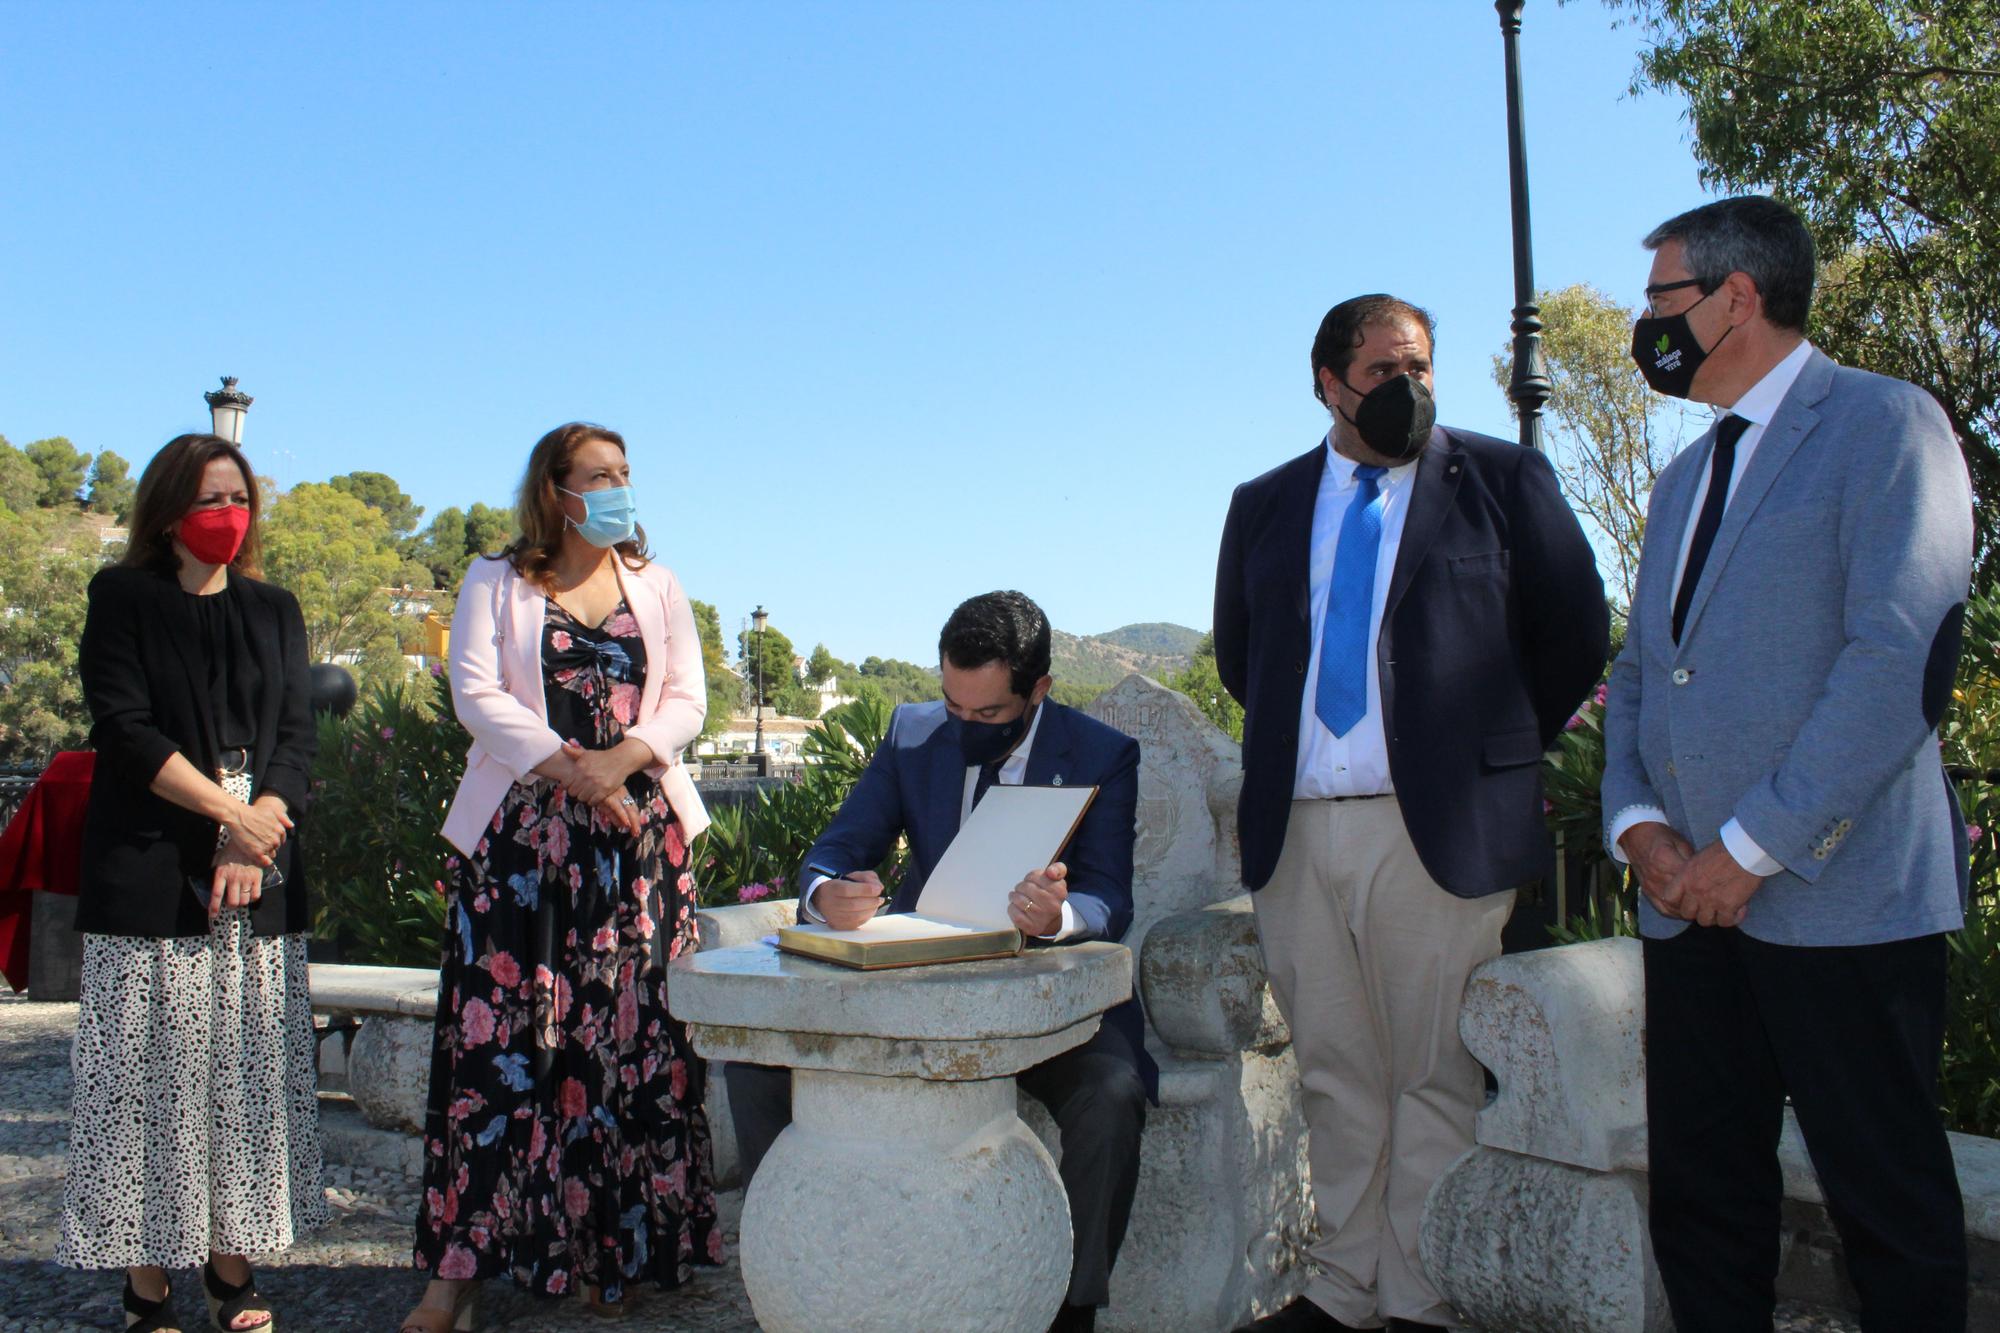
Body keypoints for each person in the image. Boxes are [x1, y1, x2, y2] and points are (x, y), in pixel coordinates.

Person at [1604, 195, 1974, 1331]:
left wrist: (1750, 848)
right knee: (1703, 1203)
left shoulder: (1883, 423)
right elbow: (1639, 674)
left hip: (1839, 900)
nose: (1645, 324)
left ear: (1734, 298)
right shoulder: (1678, 481)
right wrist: (1639, 828)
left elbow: (1895, 661)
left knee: (1888, 1212)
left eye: (1661, 297)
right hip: (1685, 910)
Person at [1214, 295, 1609, 1332]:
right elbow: (1239, 656)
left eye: (1422, 366)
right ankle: (1343, 1287)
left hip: (1433, 829)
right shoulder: (1261, 503)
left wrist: (1482, 749)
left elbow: (1572, 634)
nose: (1410, 388)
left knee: (1432, 1072)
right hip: (1299, 831)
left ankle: (1422, 1293)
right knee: (1338, 1072)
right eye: (1384, 370)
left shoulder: (1500, 479)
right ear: (1328, 382)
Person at [725, 590, 1153, 1333]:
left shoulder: (1100, 754)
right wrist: (826, 896)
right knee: (755, 1061)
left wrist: (1059, 916)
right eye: (953, 705)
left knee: (1112, 1093)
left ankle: (1070, 1312)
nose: (964, 726)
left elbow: (1111, 895)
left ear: (1039, 689)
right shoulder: (913, 732)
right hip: (916, 992)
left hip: (1048, 1000)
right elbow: (834, 848)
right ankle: (802, 1275)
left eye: (987, 715)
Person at [402, 422, 719, 1333]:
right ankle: (452, 1280)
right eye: (600, 474)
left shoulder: (657, 586)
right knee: (501, 1048)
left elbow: (688, 698)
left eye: (626, 472)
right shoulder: (493, 581)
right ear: (555, 489)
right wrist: (573, 766)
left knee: (626, 1045)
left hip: (637, 841)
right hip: (521, 848)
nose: (620, 486)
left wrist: (620, 761)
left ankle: (605, 1255)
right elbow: (475, 691)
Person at [58, 433, 325, 1333]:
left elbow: (296, 733)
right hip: (151, 859)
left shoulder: (274, 608)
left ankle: (232, 1271)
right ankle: (145, 1284)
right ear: (170, 510)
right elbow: (123, 729)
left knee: (240, 1073)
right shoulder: (122, 596)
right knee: (145, 1074)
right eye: (212, 496)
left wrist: (255, 837)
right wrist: (228, 817)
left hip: (259, 860)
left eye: (240, 496)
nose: (229, 513)